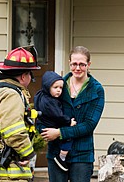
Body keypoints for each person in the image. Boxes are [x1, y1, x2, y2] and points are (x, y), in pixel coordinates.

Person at [0, 46, 41, 181]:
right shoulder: (11, 94)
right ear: (23, 76)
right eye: (30, 74)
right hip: (4, 173)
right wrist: (27, 154)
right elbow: (14, 132)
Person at [41, 46, 105, 182]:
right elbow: (46, 111)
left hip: (82, 153)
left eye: (82, 64)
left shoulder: (96, 90)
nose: (77, 68)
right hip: (56, 151)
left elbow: (89, 125)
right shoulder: (58, 86)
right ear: (69, 63)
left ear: (89, 64)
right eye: (74, 64)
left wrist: (59, 132)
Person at [34, 71, 77, 172]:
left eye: (61, 88)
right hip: (51, 124)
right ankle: (62, 156)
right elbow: (58, 116)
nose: (58, 90)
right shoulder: (50, 102)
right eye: (55, 87)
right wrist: (68, 122)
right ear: (47, 86)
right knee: (68, 136)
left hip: (45, 123)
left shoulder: (40, 95)